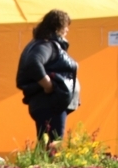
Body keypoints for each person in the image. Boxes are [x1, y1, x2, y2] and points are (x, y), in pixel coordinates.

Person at [16, 9, 79, 146]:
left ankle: (43, 167)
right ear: (59, 26)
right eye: (66, 25)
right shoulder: (46, 45)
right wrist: (48, 85)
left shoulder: (42, 43)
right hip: (50, 104)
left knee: (47, 145)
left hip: (49, 104)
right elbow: (34, 63)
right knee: (53, 146)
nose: (68, 29)